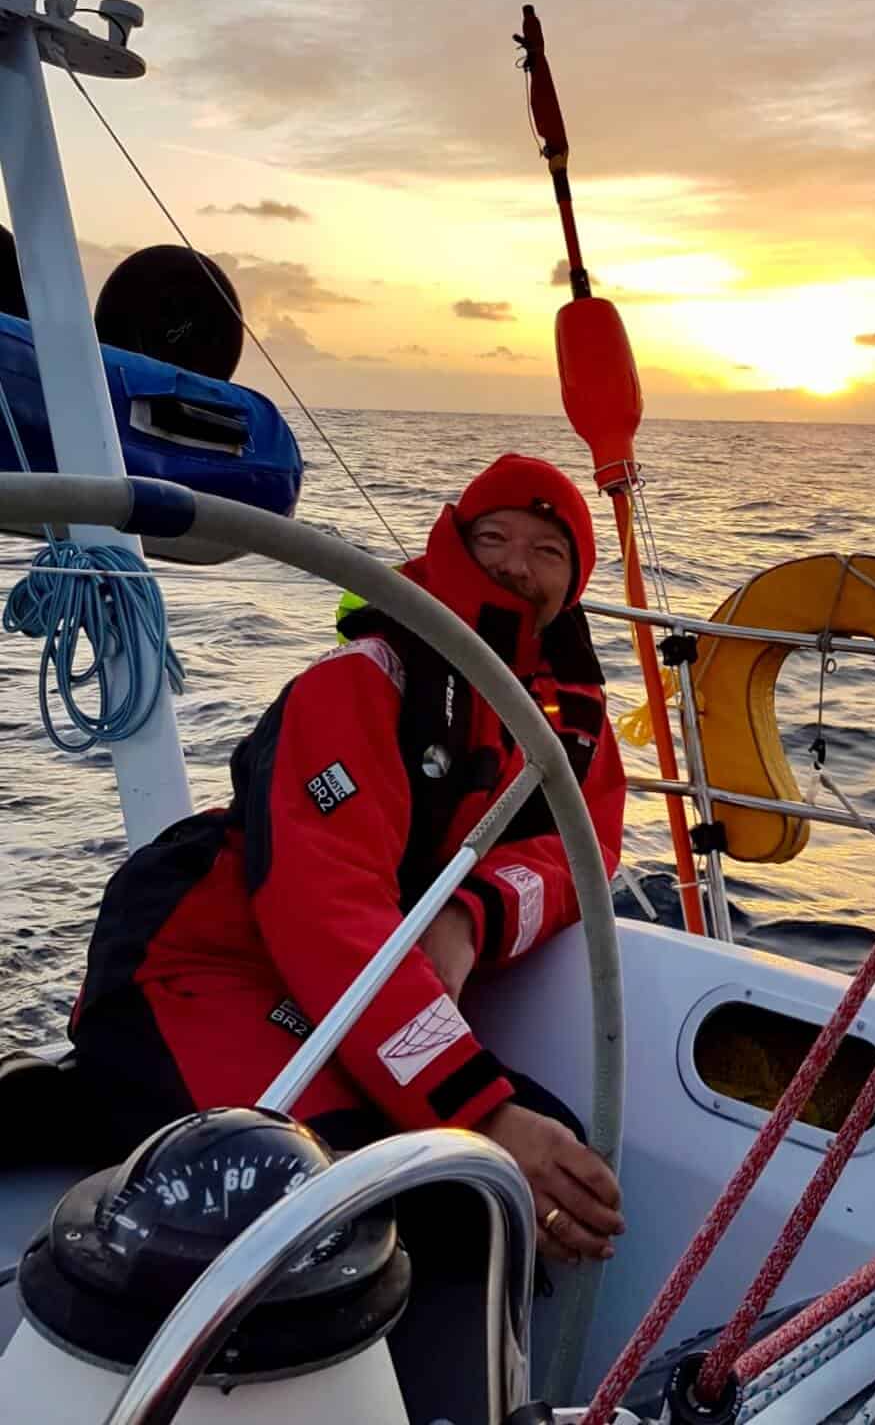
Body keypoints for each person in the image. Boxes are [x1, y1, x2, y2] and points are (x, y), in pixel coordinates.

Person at [69, 454, 626, 1277]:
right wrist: (483, 1110)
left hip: (344, 992)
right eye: (493, 537)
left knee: (519, 1182)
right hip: (202, 968)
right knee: (374, 1203)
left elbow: (585, 854)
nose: (516, 563)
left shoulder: (562, 721)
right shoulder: (361, 682)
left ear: (572, 585)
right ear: (450, 543)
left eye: (549, 551)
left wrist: (472, 913)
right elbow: (327, 916)